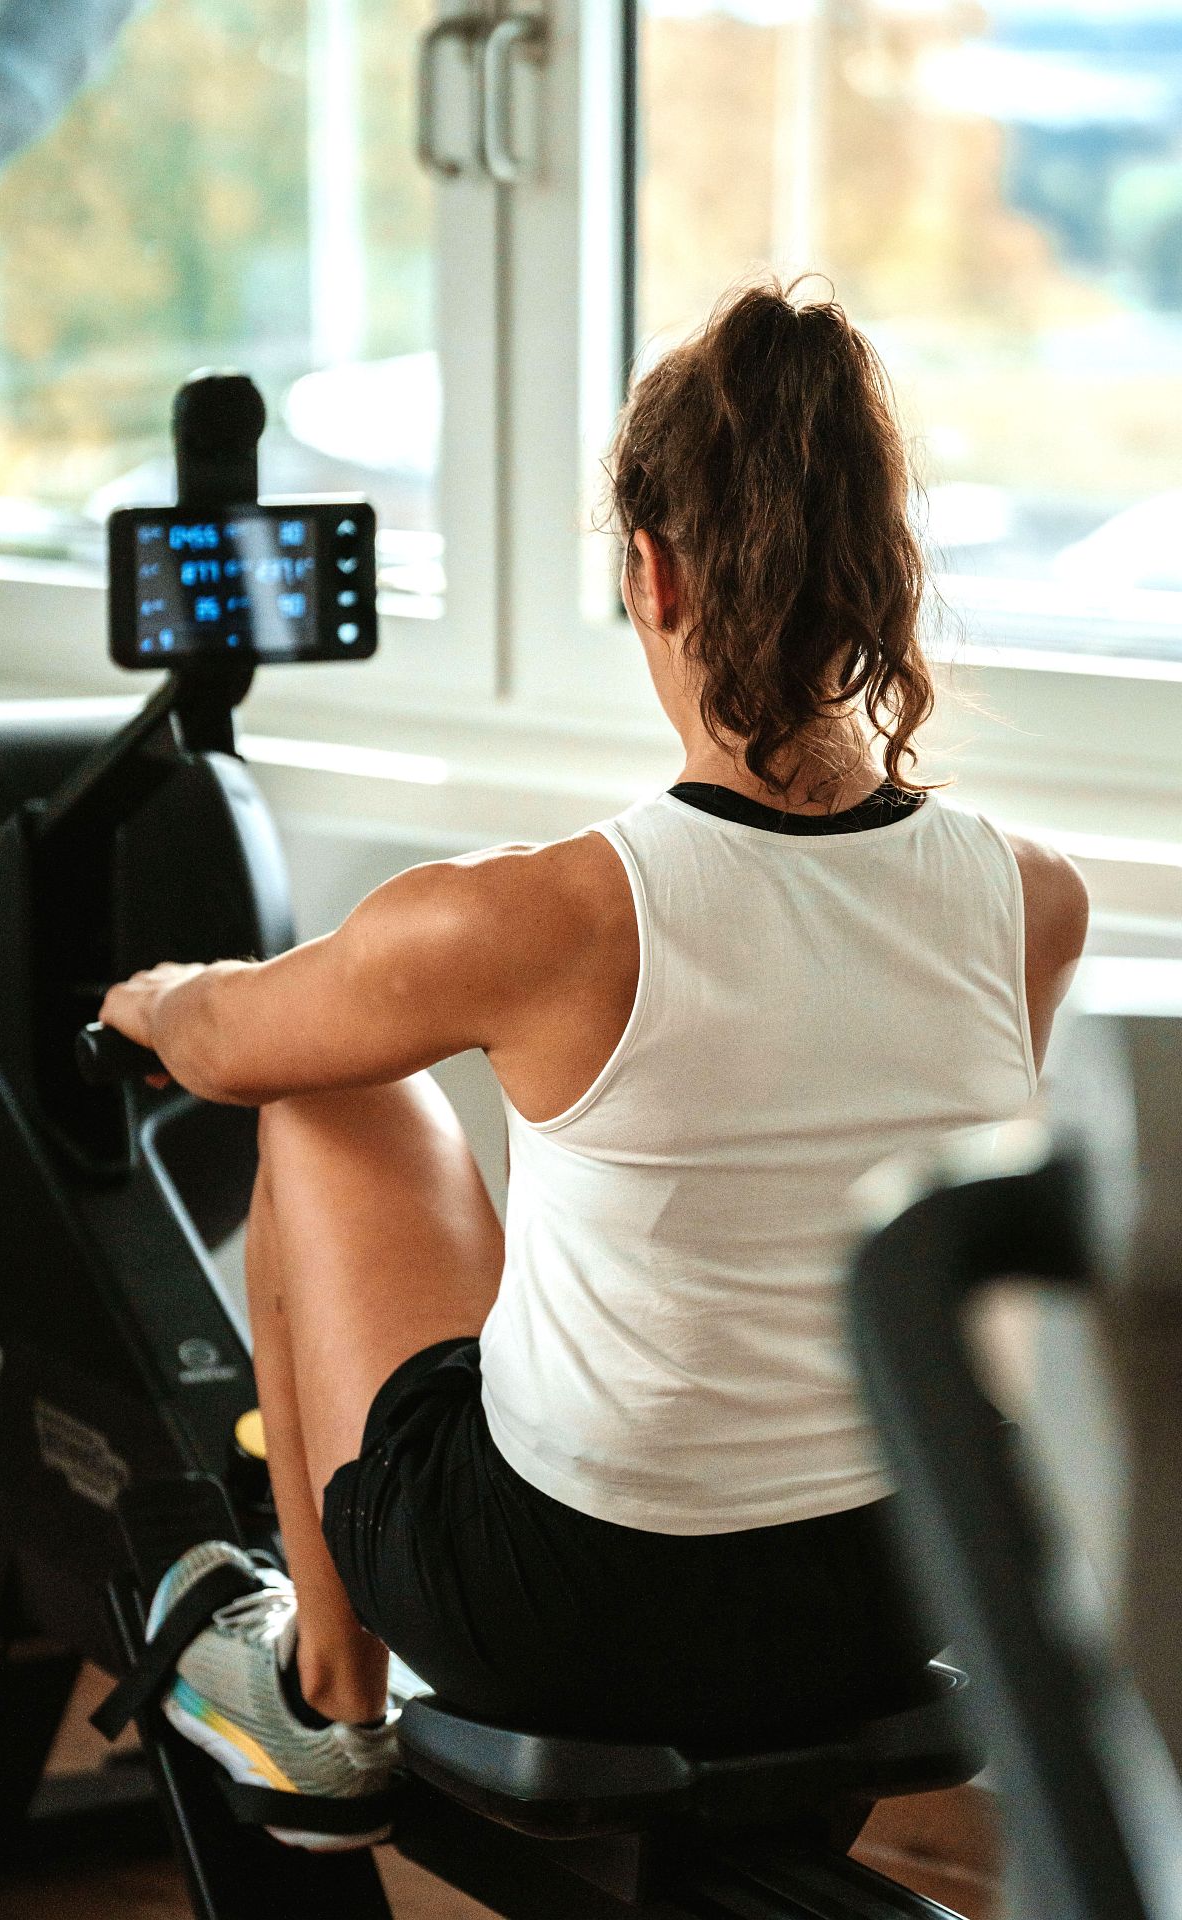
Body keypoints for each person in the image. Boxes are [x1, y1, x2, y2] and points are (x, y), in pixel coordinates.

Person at [100, 278, 1089, 1851]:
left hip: (580, 1610)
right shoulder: (1034, 900)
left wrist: (153, 993)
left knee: (323, 1080)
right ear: (883, 573)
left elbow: (228, 1048)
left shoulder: (535, 914)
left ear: (651, 571)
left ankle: (323, 1697)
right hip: (910, 1579)